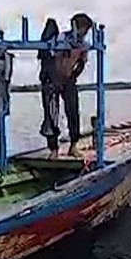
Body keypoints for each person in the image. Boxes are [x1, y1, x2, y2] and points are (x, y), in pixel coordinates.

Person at [41, 13, 93, 159]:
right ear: (75, 26)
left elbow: (81, 64)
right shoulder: (60, 38)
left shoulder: (83, 45)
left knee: (73, 111)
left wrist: (73, 76)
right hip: (52, 80)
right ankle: (53, 149)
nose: (83, 32)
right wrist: (52, 79)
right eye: (82, 28)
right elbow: (49, 59)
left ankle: (73, 146)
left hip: (68, 80)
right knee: (52, 115)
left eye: (86, 30)